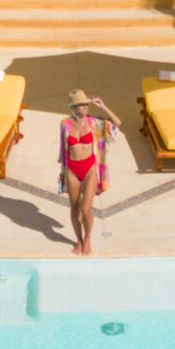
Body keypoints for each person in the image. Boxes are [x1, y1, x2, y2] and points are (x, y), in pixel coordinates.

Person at [58, 90, 114, 256]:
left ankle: (88, 237)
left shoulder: (94, 123)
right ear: (74, 107)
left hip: (90, 169)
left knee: (85, 209)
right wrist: (61, 173)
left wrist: (103, 108)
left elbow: (117, 122)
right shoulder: (64, 124)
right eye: (82, 104)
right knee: (74, 208)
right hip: (72, 170)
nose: (85, 107)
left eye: (86, 104)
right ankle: (79, 240)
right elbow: (63, 150)